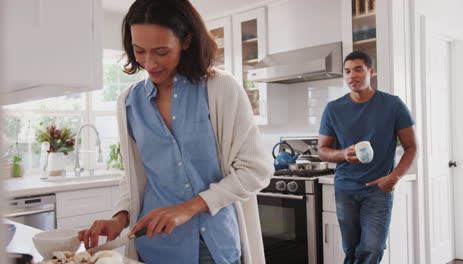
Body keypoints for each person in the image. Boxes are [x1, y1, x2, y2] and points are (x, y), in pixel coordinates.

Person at [78, 0, 274, 263]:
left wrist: (188, 208)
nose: (149, 63)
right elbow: (136, 175)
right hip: (156, 247)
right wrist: (119, 218)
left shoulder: (221, 89)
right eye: (139, 51)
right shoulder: (129, 102)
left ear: (186, 40)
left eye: (161, 51)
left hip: (215, 247)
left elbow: (256, 171)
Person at [318, 51, 417, 264]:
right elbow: (322, 150)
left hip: (378, 189)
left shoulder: (392, 105)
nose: (351, 75)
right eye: (347, 71)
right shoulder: (333, 109)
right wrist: (343, 154)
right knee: (351, 250)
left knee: (373, 248)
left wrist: (394, 177)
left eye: (358, 69)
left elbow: (411, 147)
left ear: (370, 72)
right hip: (345, 189)